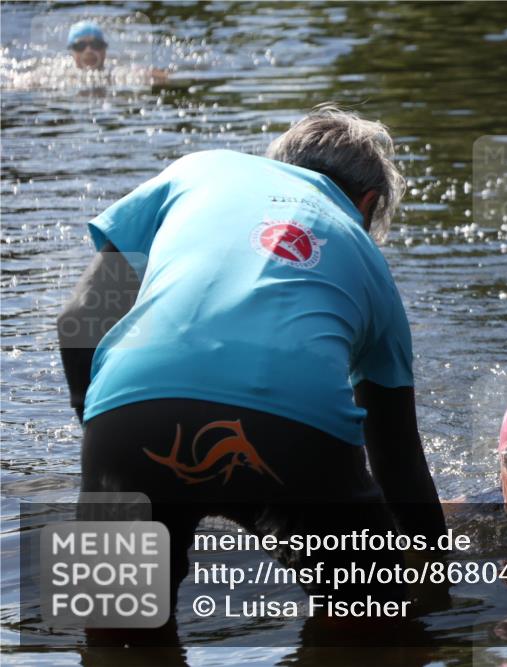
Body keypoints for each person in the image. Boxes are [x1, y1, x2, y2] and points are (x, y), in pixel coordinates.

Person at [57, 104, 447, 637]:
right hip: (291, 437)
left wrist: (106, 441)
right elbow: (398, 463)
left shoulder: (198, 170)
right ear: (368, 202)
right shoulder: (370, 263)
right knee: (373, 625)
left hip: (129, 414)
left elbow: (78, 319)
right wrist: (435, 587)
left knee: (117, 638)